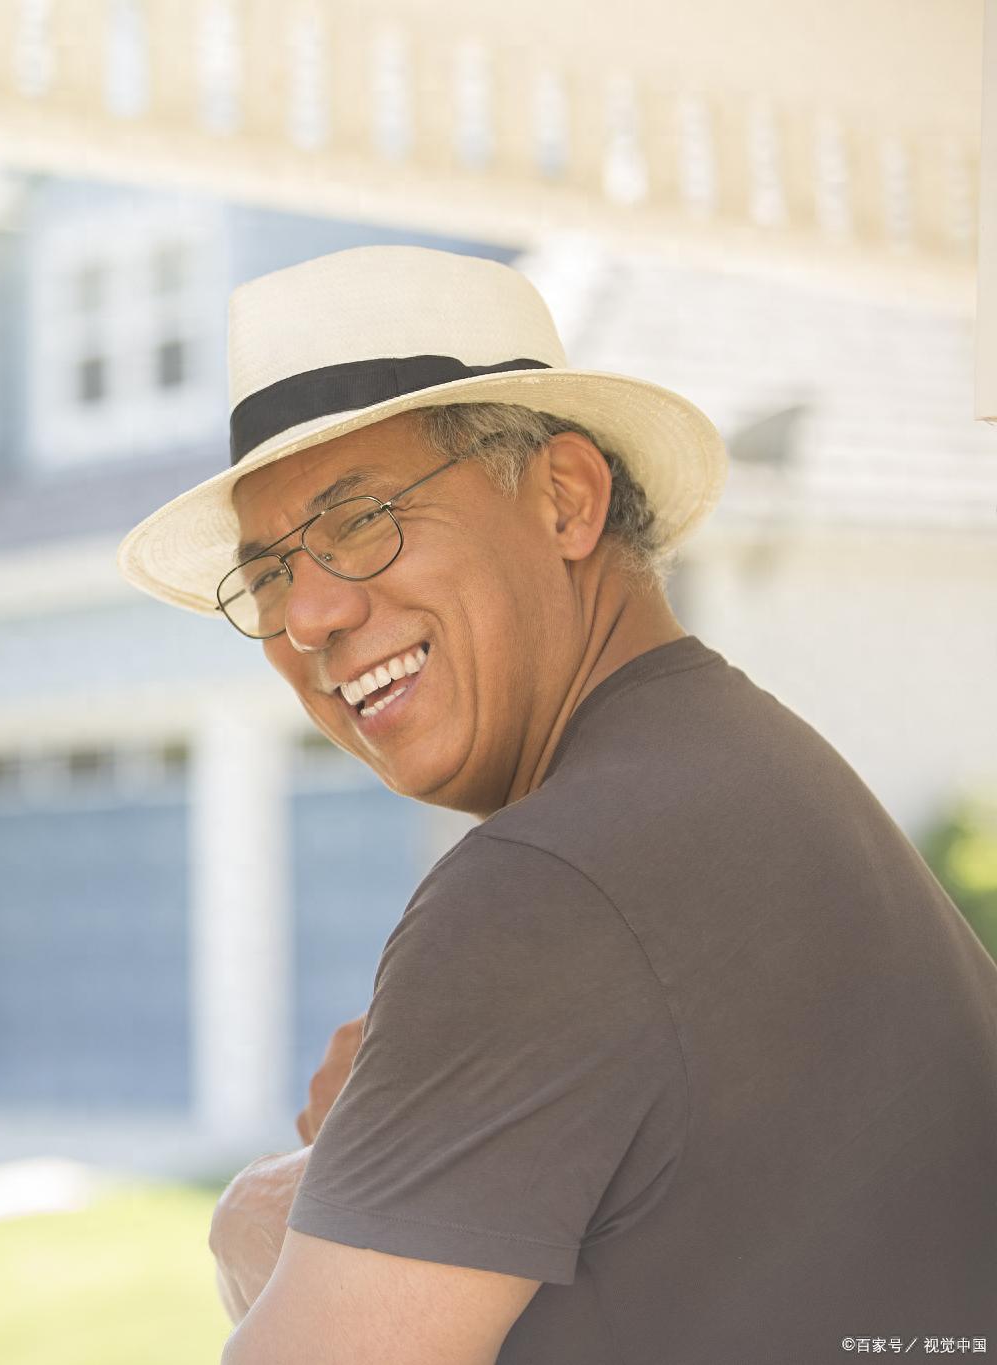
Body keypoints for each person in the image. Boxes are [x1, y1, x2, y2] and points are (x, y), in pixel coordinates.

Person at [113, 245, 997, 1363]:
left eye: (359, 521)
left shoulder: (548, 887)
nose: (309, 618)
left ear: (565, 499)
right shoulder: (742, 773)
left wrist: (268, 1225)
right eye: (272, 571)